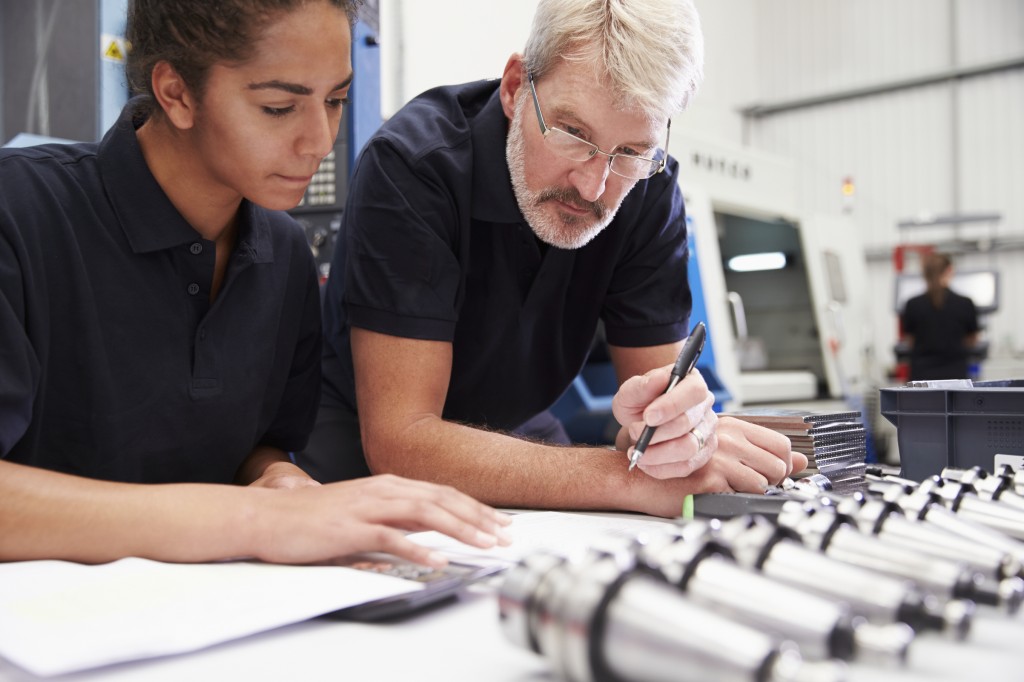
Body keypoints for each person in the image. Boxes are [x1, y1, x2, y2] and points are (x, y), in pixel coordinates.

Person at [0, 0, 510, 566]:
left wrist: (280, 480)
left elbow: (256, 446)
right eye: (278, 107)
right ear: (176, 93)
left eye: (336, 100)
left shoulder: (283, 251)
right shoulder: (20, 214)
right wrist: (255, 520)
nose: (319, 140)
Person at [303, 0, 807, 518]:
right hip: (364, 439)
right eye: (573, 134)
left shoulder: (648, 190)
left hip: (516, 427)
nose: (595, 186)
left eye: (631, 152)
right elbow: (403, 441)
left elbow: (658, 422)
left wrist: (682, 435)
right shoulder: (414, 169)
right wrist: (625, 479)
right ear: (515, 86)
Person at [901, 252, 980, 381]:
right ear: (949, 271)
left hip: (921, 378)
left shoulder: (912, 304)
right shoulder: (965, 303)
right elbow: (972, 340)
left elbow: (910, 341)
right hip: (955, 377)